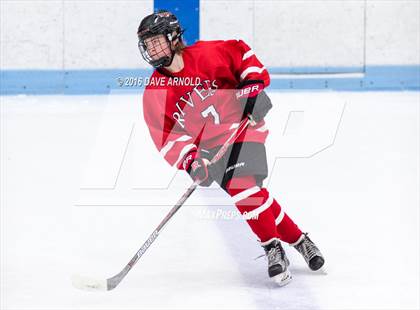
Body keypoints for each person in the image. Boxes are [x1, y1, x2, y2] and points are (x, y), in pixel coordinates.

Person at [138, 10, 325, 286]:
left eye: (157, 41)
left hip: (243, 128)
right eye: (147, 44)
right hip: (211, 151)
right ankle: (300, 240)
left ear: (174, 37)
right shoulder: (155, 92)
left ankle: (272, 248)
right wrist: (191, 161)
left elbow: (243, 55)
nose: (152, 49)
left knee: (243, 188)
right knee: (254, 194)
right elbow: (166, 136)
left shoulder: (207, 55)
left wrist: (252, 88)